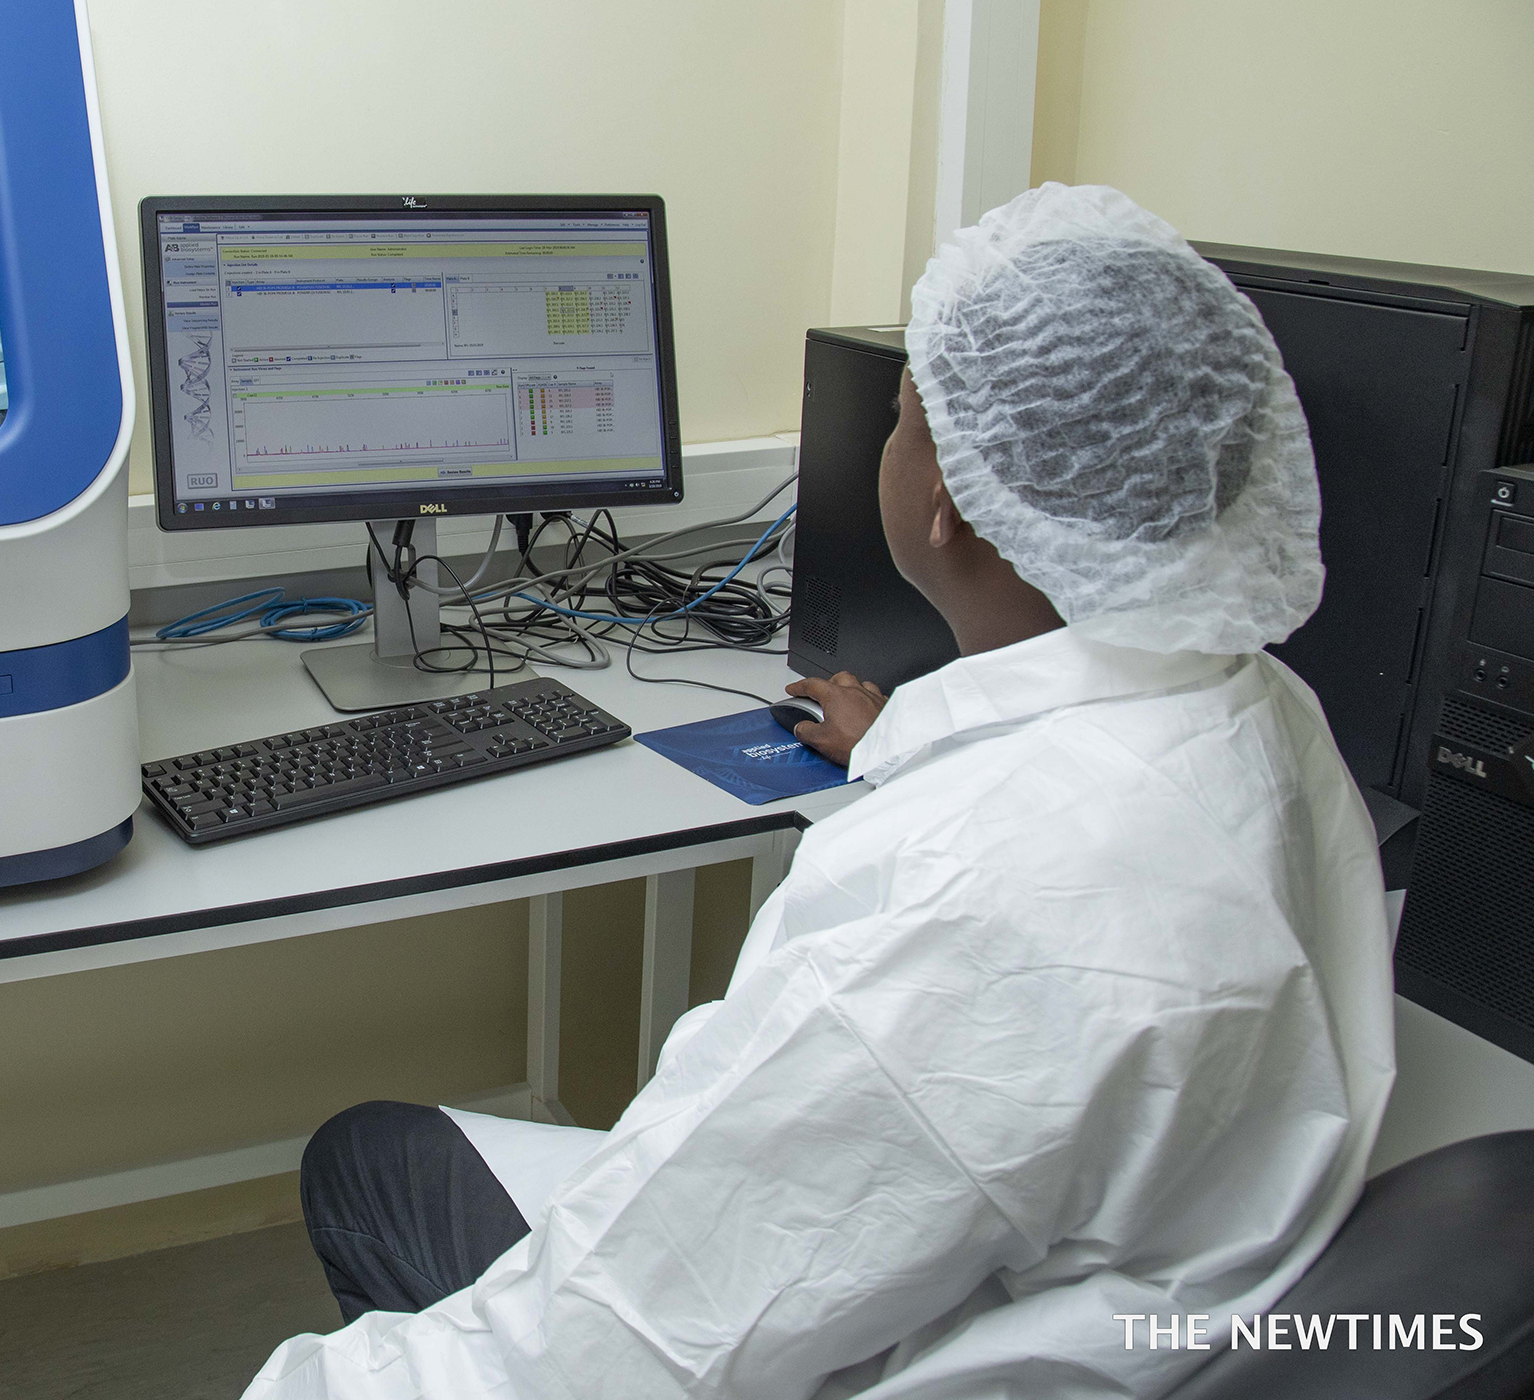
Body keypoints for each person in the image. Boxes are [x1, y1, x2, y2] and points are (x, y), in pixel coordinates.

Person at [244, 184, 1395, 1400]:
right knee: (387, 1152)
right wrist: (907, 744)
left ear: (950, 501)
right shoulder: (1256, 704)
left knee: (369, 1165)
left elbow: (639, 1331)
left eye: (901, 417)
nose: (882, 444)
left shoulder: (971, 900)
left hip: (902, 1339)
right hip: (1109, 1284)